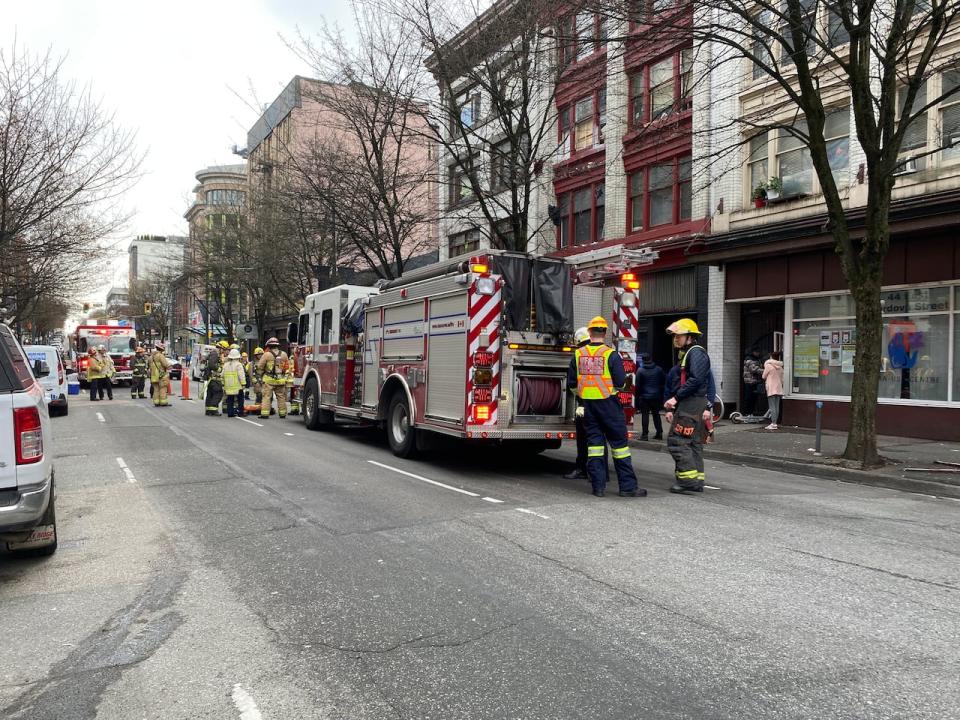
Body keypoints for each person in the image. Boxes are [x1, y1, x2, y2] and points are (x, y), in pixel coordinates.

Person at [567, 316, 646, 498]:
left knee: (594, 446)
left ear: (589, 332)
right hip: (609, 405)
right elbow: (619, 382)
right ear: (604, 333)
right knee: (619, 447)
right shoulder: (611, 354)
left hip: (588, 406)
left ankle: (598, 487)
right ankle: (627, 487)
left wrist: (584, 394)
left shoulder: (578, 355)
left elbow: (572, 383)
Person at [663, 319, 712, 494]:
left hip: (691, 403)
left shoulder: (695, 353)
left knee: (678, 441)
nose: (676, 339)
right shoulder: (691, 353)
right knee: (693, 443)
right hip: (695, 402)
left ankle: (688, 481)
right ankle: (696, 481)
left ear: (689, 337)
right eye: (675, 336)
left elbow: (696, 380)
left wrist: (675, 398)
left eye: (679, 335)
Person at [563, 327, 608, 482]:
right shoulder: (606, 353)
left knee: (584, 439)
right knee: (599, 439)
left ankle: (582, 469)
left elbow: (572, 383)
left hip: (585, 405)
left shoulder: (580, 355)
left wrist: (580, 398)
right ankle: (601, 473)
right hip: (605, 405)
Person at [634, 352, 666, 441]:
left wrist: (638, 396)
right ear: (650, 359)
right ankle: (659, 433)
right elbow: (663, 381)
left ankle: (644, 435)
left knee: (645, 415)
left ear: (643, 360)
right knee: (656, 415)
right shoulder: (658, 369)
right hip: (656, 396)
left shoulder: (640, 370)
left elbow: (637, 385)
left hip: (644, 397)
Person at [258, 338, 289, 419]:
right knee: (281, 397)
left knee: (266, 397)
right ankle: (282, 414)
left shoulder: (266, 354)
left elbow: (260, 366)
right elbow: (287, 367)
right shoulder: (284, 354)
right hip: (280, 379)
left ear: (269, 346)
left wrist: (260, 375)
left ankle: (265, 414)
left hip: (268, 380)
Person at [222, 349, 247, 418]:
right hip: (237, 386)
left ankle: (230, 413)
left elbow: (222, 375)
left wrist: (223, 383)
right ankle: (240, 412)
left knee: (230, 399)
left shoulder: (225, 364)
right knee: (240, 399)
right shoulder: (238, 365)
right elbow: (241, 375)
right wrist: (243, 384)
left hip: (228, 386)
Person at [763, 351, 784, 430]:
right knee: (776, 407)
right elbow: (782, 379)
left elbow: (763, 376)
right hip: (779, 388)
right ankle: (775, 423)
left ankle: (773, 424)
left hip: (771, 388)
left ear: (771, 357)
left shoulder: (768, 366)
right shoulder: (781, 367)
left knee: (772, 407)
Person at [204, 342, 226, 416]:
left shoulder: (213, 353)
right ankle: (213, 409)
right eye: (223, 349)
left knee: (210, 393)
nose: (223, 351)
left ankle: (208, 410)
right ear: (221, 348)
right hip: (214, 378)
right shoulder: (215, 354)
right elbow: (212, 364)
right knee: (218, 393)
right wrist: (219, 369)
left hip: (211, 378)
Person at [742, 348, 763, 417]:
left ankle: (751, 413)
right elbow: (753, 369)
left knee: (753, 398)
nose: (758, 353)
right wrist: (765, 371)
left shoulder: (756, 359)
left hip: (754, 381)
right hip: (750, 382)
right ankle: (747, 413)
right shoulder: (749, 360)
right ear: (753, 352)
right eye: (757, 352)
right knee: (749, 398)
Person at [150, 342, 171, 407]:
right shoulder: (160, 356)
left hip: (153, 375)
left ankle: (156, 402)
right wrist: (169, 365)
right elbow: (165, 364)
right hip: (161, 375)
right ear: (161, 349)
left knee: (156, 389)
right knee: (163, 388)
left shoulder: (151, 356)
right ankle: (163, 402)